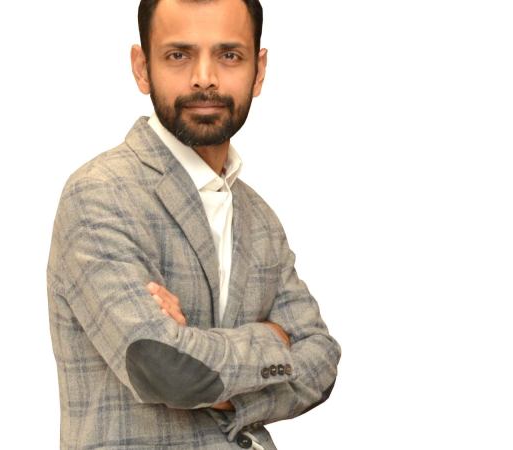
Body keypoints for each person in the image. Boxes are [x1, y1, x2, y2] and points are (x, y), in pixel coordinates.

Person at [46, 0, 341, 448]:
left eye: (229, 55)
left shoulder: (259, 218)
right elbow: (166, 369)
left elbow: (321, 361)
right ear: (142, 68)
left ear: (259, 71)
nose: (204, 77)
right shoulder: (100, 195)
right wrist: (274, 338)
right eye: (179, 55)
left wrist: (196, 348)